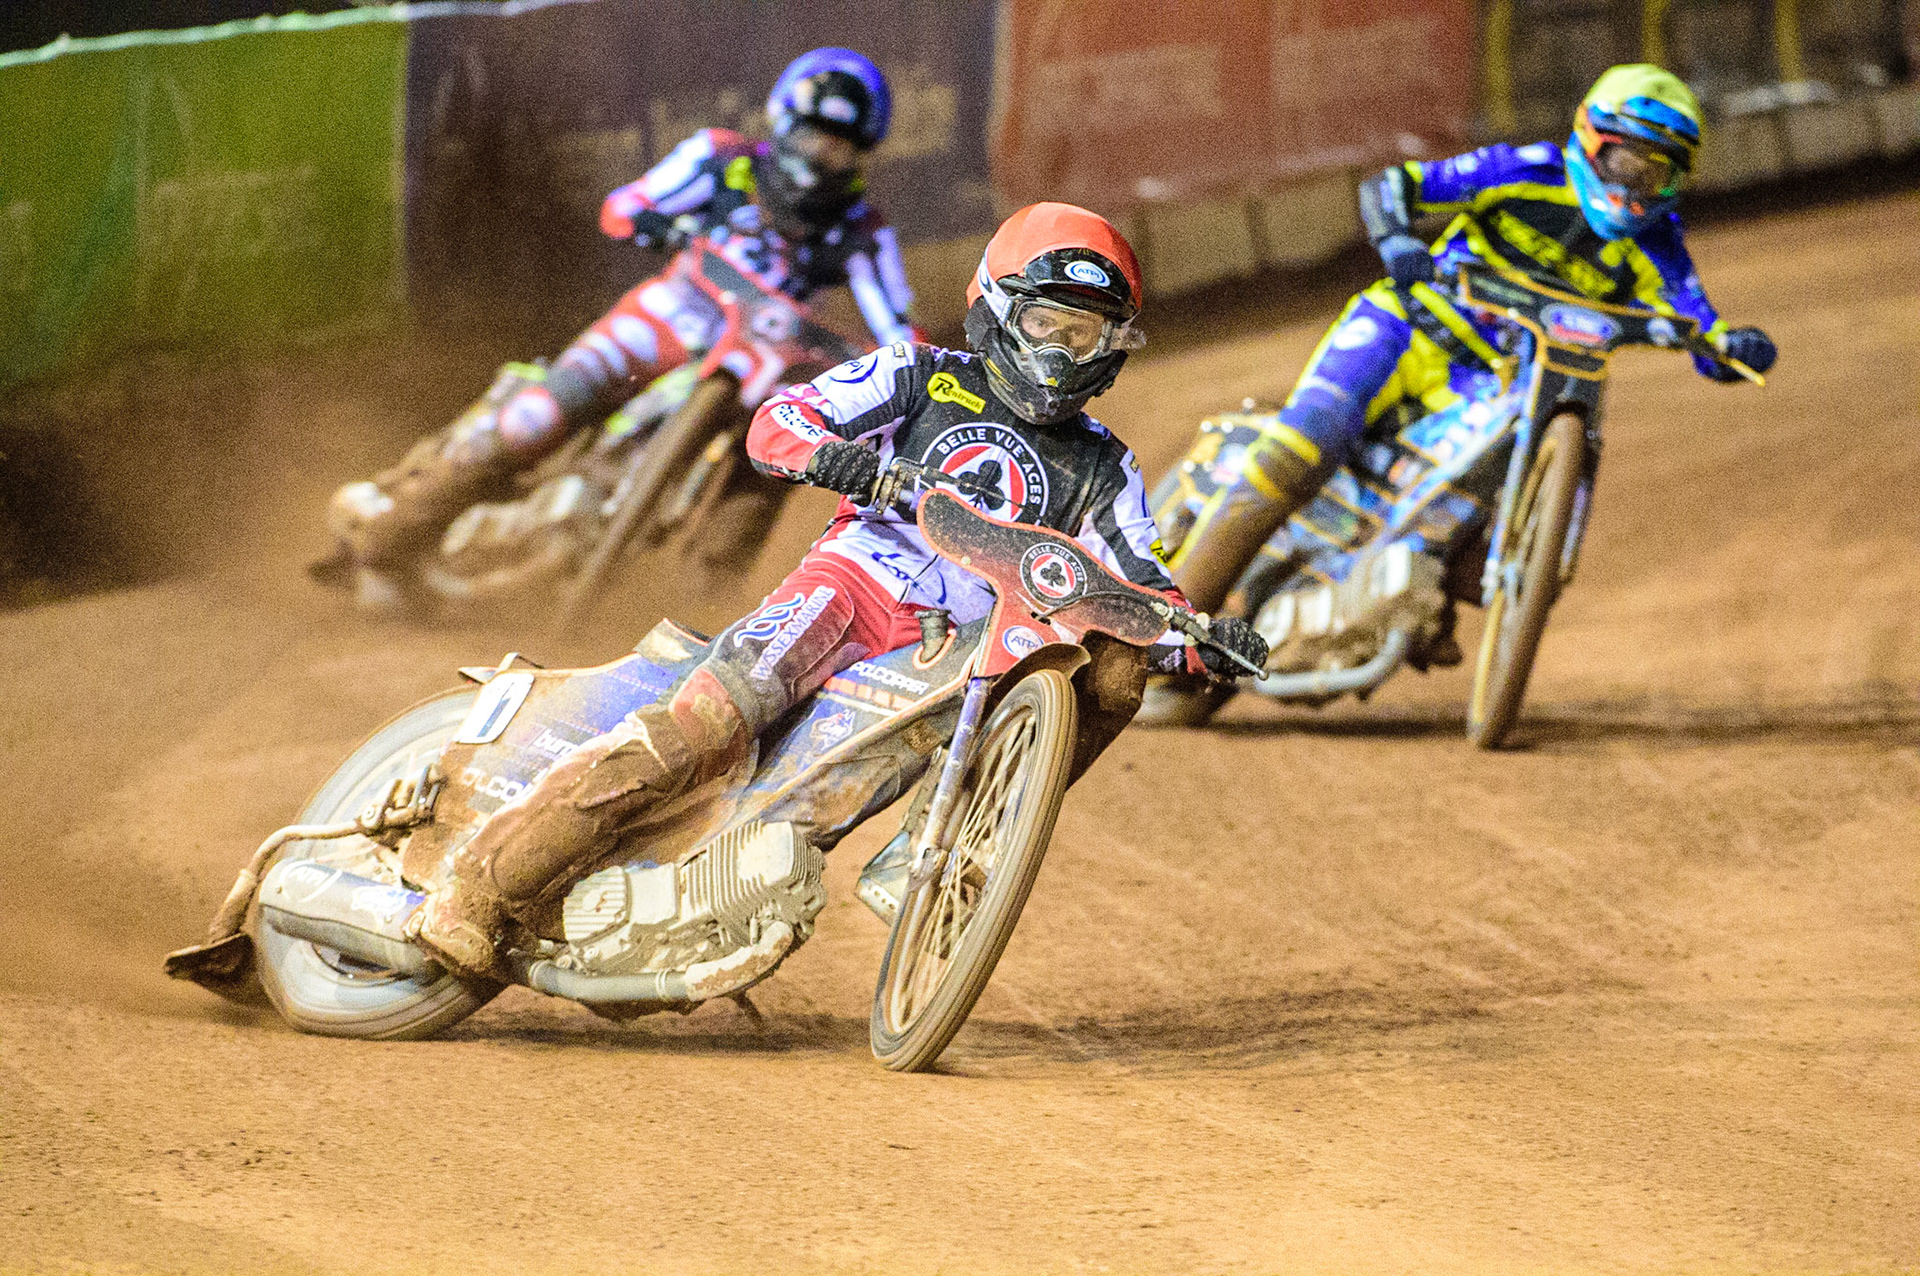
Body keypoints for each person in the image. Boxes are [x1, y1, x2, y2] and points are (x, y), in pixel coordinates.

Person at [411, 202, 1267, 977]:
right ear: (1000, 309)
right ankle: (478, 889)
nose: (1058, 352)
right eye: (1045, 322)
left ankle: (948, 846)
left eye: (1083, 337)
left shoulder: (1107, 467)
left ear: (1111, 347)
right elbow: (778, 422)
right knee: (712, 723)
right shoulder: (919, 373)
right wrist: (848, 460)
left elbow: (1141, 577)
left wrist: (1197, 633)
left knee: (1113, 670)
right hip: (852, 586)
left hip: (959, 651)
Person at [1150, 63, 1780, 619]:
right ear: (1590, 136)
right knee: (1308, 440)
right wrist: (1398, 238)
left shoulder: (1659, 245)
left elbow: (1703, 329)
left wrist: (1736, 348)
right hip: (1408, 328)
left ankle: (1394, 600)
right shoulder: (1522, 170)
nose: (1636, 186)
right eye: (1627, 162)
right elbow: (1394, 186)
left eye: (1657, 171)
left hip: (1495, 386)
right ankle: (1171, 620)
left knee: (1477, 553)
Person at [321, 48, 919, 604]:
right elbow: (626, 204)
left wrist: (907, 373)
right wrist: (658, 225)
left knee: (773, 455)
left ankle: (712, 600)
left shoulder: (862, 227)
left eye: (838, 147)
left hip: (757, 363)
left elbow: (897, 325)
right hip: (666, 317)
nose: (820, 157)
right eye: (814, 136)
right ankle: (388, 537)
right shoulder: (722, 158)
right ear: (783, 123)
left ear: (859, 155)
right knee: (536, 418)